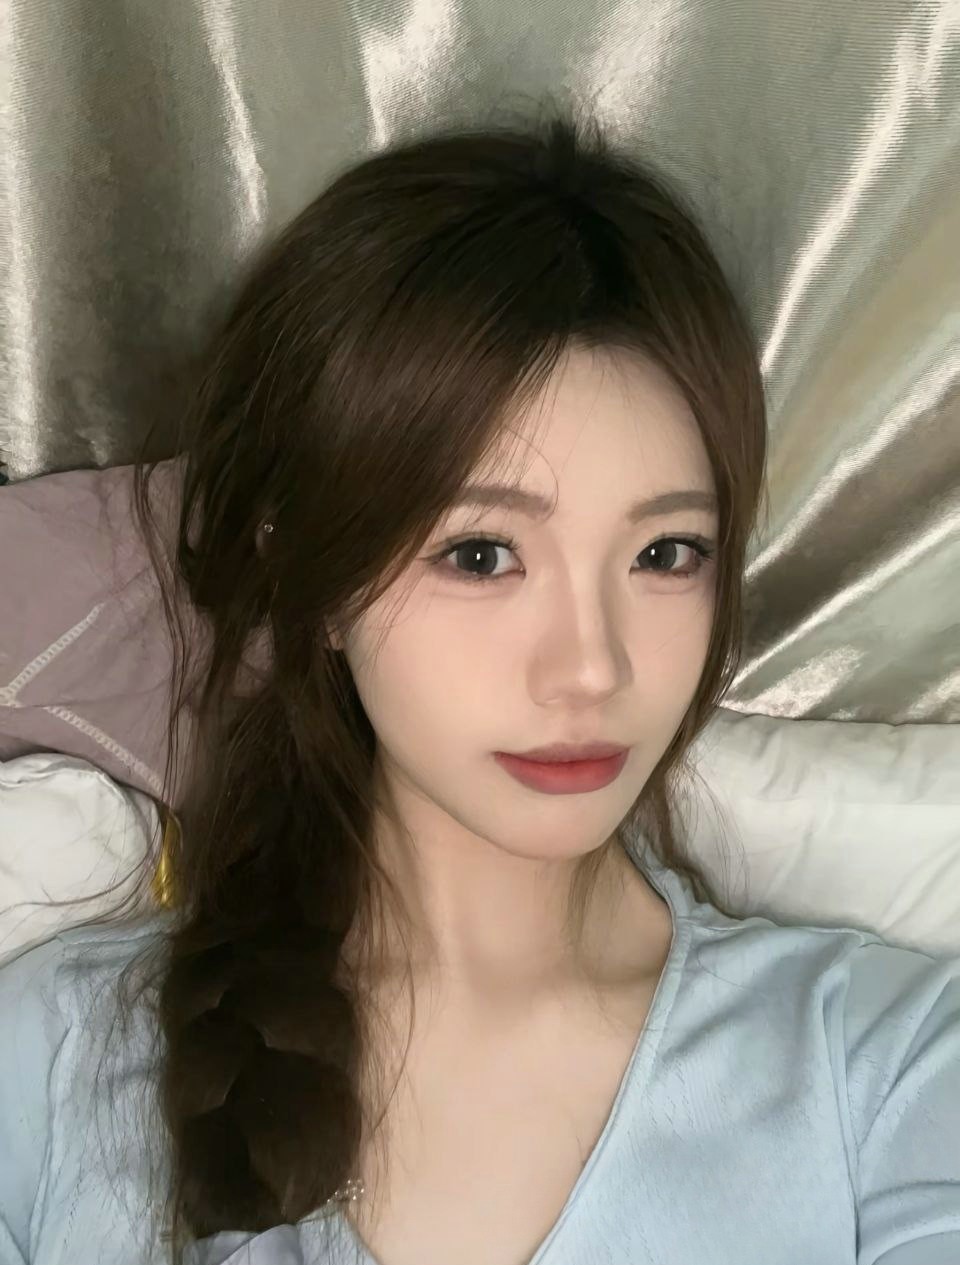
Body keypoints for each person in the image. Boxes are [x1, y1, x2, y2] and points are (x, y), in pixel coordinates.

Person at [1, 103, 958, 1265]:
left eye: (666, 553)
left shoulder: (895, 1065)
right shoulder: (47, 1061)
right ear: (307, 576)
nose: (592, 665)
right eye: (481, 554)